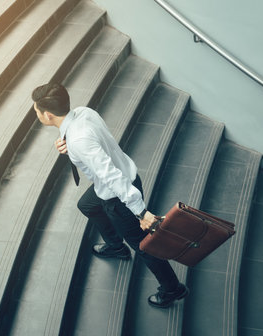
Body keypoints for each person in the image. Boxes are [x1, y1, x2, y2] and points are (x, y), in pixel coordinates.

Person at [31, 82, 188, 308]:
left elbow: (110, 175)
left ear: (47, 114)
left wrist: (140, 211)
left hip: (119, 194)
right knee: (87, 205)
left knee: (144, 245)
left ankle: (173, 288)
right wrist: (67, 142)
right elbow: (94, 143)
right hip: (118, 181)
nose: (36, 114)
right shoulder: (83, 113)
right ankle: (116, 246)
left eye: (36, 110)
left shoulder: (79, 140)